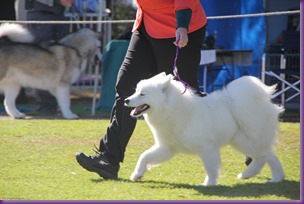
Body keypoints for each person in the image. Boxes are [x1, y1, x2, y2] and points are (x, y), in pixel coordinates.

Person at [76, 0, 208, 179]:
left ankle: (245, 135)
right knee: (126, 87)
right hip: (146, 26)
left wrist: (182, 26)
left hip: (179, 27)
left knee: (189, 95)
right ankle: (109, 159)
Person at [25, 0, 74, 115]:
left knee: (60, 61)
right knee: (43, 62)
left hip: (59, 14)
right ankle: (45, 106)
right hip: (40, 13)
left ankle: (55, 106)